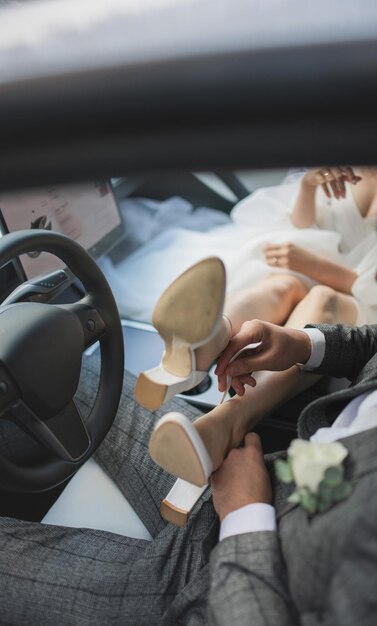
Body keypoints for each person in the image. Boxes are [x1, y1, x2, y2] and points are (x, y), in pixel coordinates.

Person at [1, 320, 376, 625]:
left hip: (222, 585)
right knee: (55, 373)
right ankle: (219, 413)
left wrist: (244, 514)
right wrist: (302, 344)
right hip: (261, 478)